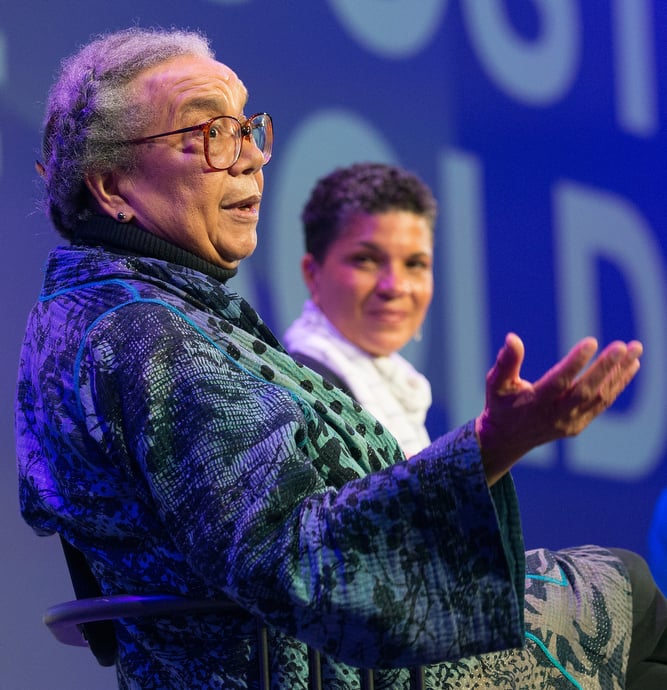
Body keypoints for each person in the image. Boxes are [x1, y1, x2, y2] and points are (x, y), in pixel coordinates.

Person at [13, 26, 661, 689]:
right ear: (112, 187)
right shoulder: (146, 336)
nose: (248, 159)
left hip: (288, 652)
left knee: (618, 589)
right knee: (636, 602)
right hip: (317, 667)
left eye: (245, 129)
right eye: (207, 134)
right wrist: (490, 443)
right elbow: (293, 560)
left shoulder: (100, 312)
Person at [285, 161, 667, 688]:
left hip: (415, 631)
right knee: (636, 597)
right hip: (375, 657)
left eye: (416, 264)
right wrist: (501, 440)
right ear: (312, 273)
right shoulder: (307, 390)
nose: (396, 286)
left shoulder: (396, 390)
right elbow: (358, 557)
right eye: (367, 260)